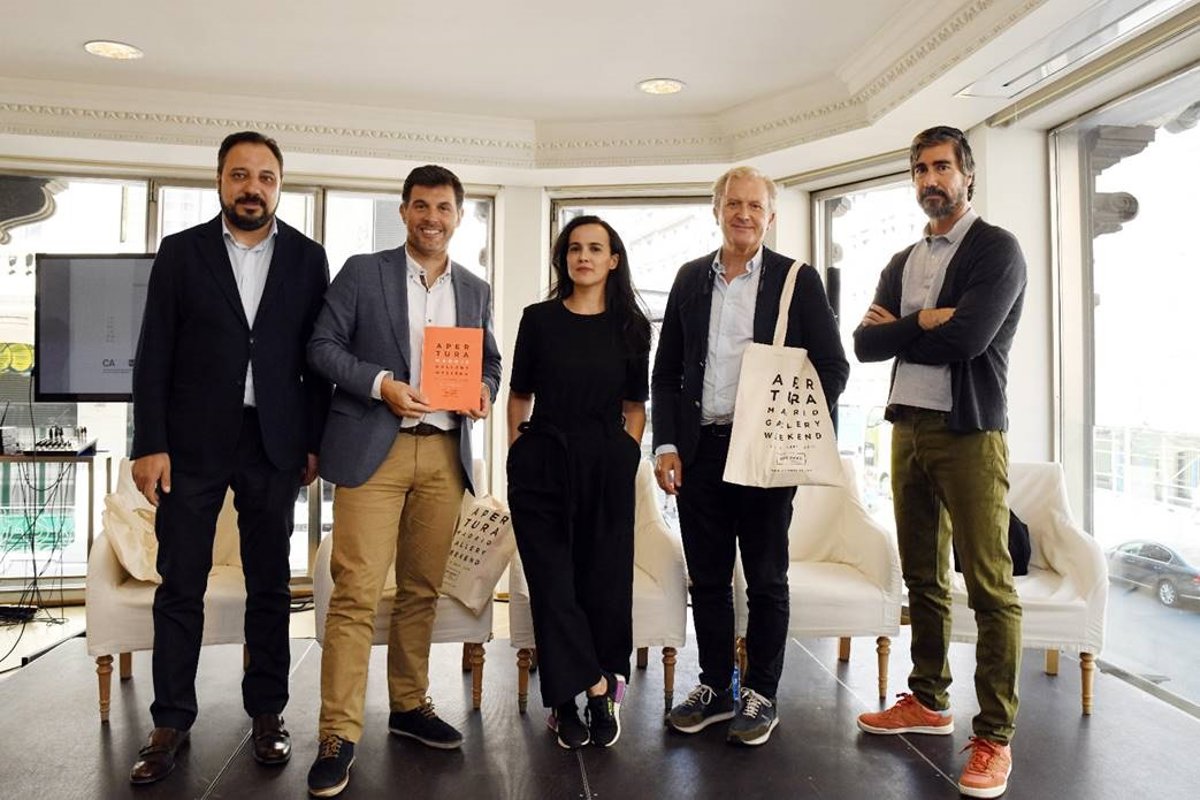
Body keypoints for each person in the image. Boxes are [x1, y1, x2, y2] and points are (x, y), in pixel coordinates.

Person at [128, 131, 331, 784]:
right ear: (220, 180)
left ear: (279, 185)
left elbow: (316, 358)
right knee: (180, 582)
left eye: (266, 177)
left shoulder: (308, 257)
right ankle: (170, 721)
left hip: (273, 441)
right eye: (240, 174)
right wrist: (149, 443)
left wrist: (314, 441)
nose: (253, 187)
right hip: (190, 443)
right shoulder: (181, 252)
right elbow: (154, 351)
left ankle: (268, 712)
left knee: (269, 584)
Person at [305, 165, 502, 798]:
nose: (431, 218)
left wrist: (485, 390)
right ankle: (338, 732)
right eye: (421, 206)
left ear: (459, 216)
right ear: (403, 212)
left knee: (421, 590)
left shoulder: (474, 287)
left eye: (443, 208)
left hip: (444, 452)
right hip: (374, 449)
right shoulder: (363, 272)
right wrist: (380, 384)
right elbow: (321, 346)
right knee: (356, 593)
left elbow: (491, 360)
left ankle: (410, 705)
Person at [853, 125, 1026, 799]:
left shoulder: (996, 249)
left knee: (988, 585)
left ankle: (995, 737)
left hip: (969, 431)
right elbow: (865, 346)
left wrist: (905, 329)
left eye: (943, 167)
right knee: (922, 576)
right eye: (921, 169)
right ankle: (928, 700)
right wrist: (926, 320)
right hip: (907, 427)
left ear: (967, 174)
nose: (931, 179)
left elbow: (970, 339)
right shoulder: (904, 260)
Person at [652, 166, 849, 746]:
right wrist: (666, 444)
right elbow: (667, 371)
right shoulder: (690, 278)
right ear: (717, 210)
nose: (743, 214)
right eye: (733, 204)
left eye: (754, 206)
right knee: (708, 579)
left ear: (771, 216)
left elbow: (833, 367)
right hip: (700, 450)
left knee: (765, 579)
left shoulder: (796, 280)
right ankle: (716, 686)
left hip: (765, 454)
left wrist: (782, 416)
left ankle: (761, 692)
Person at [506, 215, 651, 750]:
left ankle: (592, 698)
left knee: (602, 584)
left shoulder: (632, 327)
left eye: (594, 248)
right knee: (552, 584)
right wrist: (518, 453)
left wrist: (626, 454)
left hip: (606, 466)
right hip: (542, 463)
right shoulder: (538, 320)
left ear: (613, 260)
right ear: (563, 258)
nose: (582, 257)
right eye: (573, 248)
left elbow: (635, 406)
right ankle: (585, 688)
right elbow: (519, 395)